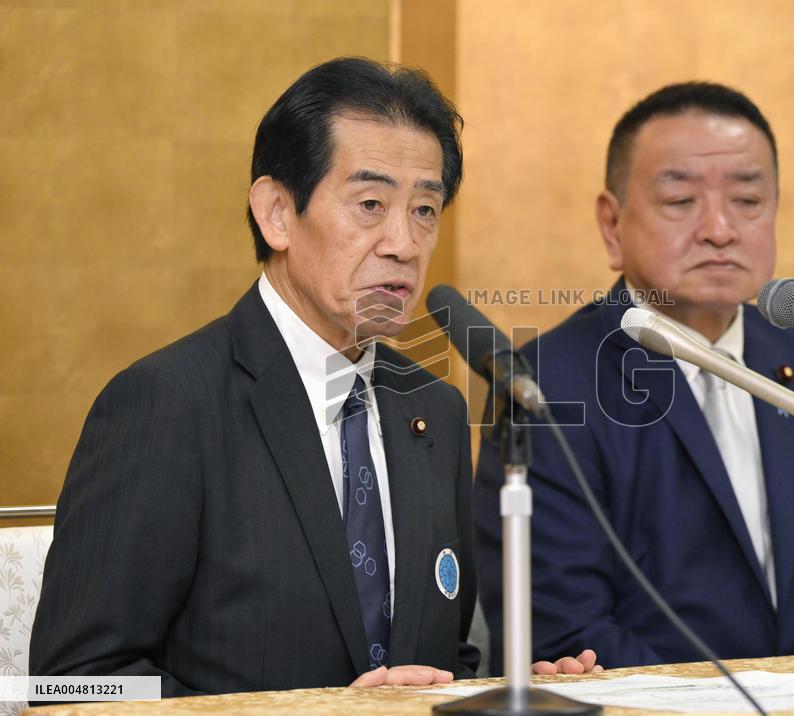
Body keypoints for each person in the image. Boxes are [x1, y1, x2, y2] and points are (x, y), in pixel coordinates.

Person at [30, 57, 599, 696]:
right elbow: (72, 684)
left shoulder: (432, 408)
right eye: (370, 204)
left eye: (425, 211)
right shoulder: (168, 404)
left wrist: (501, 694)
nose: (403, 244)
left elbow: (447, 658)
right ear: (276, 212)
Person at [474, 81, 794, 671]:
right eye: (681, 201)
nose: (720, 229)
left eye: (747, 201)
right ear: (612, 226)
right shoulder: (547, 386)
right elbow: (564, 634)